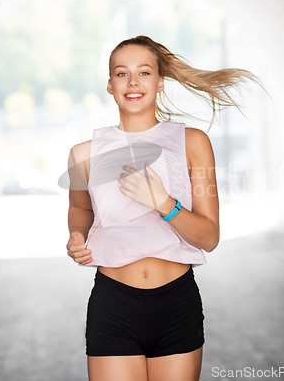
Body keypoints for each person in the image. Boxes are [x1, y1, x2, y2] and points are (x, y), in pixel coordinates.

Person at [66, 35, 263, 381]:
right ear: (110, 86)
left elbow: (209, 237)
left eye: (144, 72)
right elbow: (80, 209)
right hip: (113, 304)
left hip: (176, 304)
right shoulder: (84, 153)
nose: (133, 82)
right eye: (122, 73)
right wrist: (76, 236)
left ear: (159, 83)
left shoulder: (192, 143)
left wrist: (162, 203)